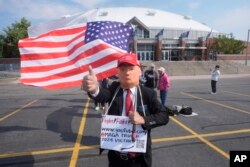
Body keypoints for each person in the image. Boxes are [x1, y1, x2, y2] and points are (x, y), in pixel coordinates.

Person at [82, 53, 169, 167]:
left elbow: (164, 115)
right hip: (116, 157)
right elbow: (102, 95)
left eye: (131, 69)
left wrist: (144, 119)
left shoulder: (148, 94)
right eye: (123, 69)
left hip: (139, 159)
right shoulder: (114, 88)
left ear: (139, 72)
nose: (127, 72)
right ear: (118, 73)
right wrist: (94, 90)